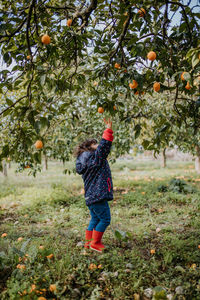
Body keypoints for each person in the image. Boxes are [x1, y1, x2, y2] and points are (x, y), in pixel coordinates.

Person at [75, 118, 114, 252]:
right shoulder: (94, 158)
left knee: (95, 218)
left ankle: (88, 243)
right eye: (95, 144)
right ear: (90, 146)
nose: (98, 145)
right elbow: (104, 147)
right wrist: (108, 130)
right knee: (105, 219)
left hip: (90, 196)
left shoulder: (85, 160)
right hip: (98, 194)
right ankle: (95, 243)